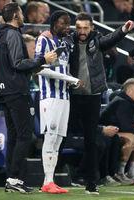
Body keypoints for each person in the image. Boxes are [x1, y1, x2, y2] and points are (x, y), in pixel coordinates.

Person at [65, 12, 134, 195]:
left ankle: (90, 183)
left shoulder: (97, 40)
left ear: (92, 28)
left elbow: (110, 39)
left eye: (85, 28)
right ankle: (50, 179)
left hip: (92, 97)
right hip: (71, 96)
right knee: (60, 137)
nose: (81, 31)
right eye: (78, 27)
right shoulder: (68, 42)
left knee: (91, 140)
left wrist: (123, 30)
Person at [0, 2, 57, 194]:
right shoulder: (12, 34)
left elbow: (13, 64)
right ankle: (14, 178)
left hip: (5, 91)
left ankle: (12, 179)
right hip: (16, 92)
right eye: (21, 13)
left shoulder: (2, 36)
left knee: (14, 137)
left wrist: (35, 65)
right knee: (23, 136)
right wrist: (42, 60)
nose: (23, 17)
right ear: (14, 15)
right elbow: (17, 63)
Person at [35, 10, 84, 194]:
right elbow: (39, 68)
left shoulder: (63, 43)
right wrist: (69, 79)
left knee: (57, 140)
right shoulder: (44, 39)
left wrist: (71, 81)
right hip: (50, 97)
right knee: (50, 137)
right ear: (54, 22)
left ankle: (50, 180)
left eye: (69, 23)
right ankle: (47, 181)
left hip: (64, 96)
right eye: (64, 23)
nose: (67, 26)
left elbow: (63, 68)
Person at [100, 78, 134, 185]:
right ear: (129, 91)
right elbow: (126, 126)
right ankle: (120, 173)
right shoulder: (121, 102)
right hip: (105, 132)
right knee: (132, 137)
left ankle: (132, 173)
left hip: (118, 131)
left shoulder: (132, 102)